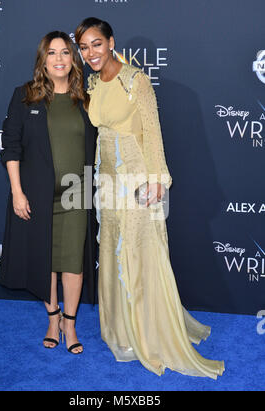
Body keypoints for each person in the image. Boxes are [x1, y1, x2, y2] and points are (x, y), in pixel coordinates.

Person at [75, 17, 225, 378]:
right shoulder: (94, 81)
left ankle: (149, 330)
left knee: (140, 250)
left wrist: (158, 181)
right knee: (113, 248)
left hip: (136, 174)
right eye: (83, 47)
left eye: (96, 43)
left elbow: (153, 132)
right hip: (107, 177)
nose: (90, 53)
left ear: (111, 42)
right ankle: (121, 331)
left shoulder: (136, 80)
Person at [0, 31, 97, 354]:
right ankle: (52, 319)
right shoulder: (25, 96)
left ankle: (70, 324)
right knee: (46, 260)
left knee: (72, 261)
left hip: (77, 191)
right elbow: (11, 147)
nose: (59, 59)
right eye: (51, 53)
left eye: (65, 53)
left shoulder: (86, 97)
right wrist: (17, 192)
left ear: (74, 59)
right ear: (43, 59)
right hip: (37, 194)